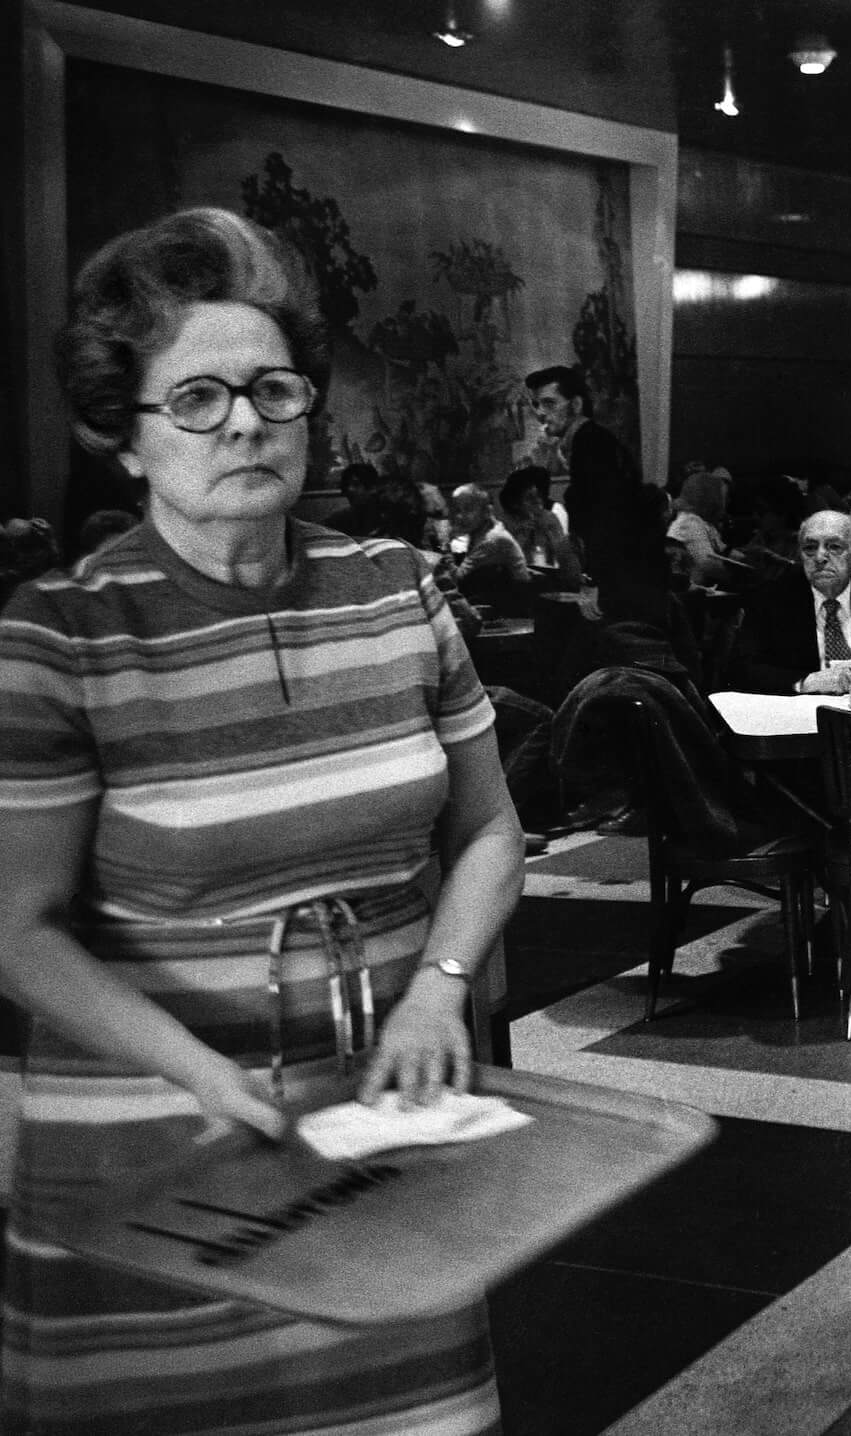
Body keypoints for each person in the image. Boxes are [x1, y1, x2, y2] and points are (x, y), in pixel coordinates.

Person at [0, 206, 517, 1432]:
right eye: (197, 399)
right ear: (124, 438)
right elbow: (19, 928)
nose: (244, 421)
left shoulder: (397, 591)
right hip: (156, 1144)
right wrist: (203, 1076)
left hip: (373, 1122)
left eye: (273, 390)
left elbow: (492, 831)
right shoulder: (62, 634)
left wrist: (442, 986)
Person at [724, 509, 851, 695]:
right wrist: (807, 682)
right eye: (810, 548)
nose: (820, 557)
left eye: (834, 547)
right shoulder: (770, 600)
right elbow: (741, 671)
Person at [525, 362, 645, 584]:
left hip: (619, 573)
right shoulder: (588, 440)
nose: (540, 413)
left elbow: (601, 517)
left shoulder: (590, 443)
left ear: (576, 404)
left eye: (549, 404)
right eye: (536, 405)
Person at [449, 479, 531, 610]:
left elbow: (456, 579)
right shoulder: (480, 533)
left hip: (513, 609)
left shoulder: (493, 539)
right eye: (457, 510)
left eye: (468, 509)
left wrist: (444, 544)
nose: (460, 516)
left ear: (487, 511)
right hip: (495, 602)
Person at [503, 463, 584, 589]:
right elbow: (507, 566)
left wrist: (553, 532)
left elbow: (570, 570)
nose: (538, 503)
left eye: (539, 497)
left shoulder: (551, 517)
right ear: (515, 504)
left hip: (551, 584)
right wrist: (522, 534)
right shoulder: (507, 524)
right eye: (530, 499)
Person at [664, 465, 732, 587]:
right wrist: (739, 573)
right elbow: (707, 563)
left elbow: (724, 550)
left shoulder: (703, 522)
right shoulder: (689, 522)